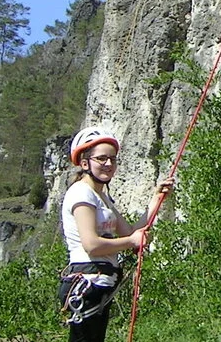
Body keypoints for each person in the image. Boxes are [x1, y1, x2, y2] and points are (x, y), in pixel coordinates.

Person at [58, 126, 173, 342]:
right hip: (87, 281)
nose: (109, 164)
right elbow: (91, 244)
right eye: (102, 158)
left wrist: (156, 200)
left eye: (112, 159)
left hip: (100, 282)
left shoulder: (102, 197)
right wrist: (131, 241)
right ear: (85, 163)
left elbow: (129, 232)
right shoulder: (81, 193)